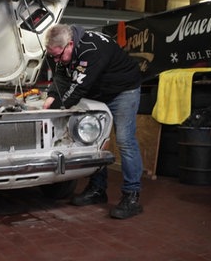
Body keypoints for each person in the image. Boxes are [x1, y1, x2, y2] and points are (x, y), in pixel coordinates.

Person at [42, 23, 143, 220]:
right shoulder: (57, 51)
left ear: (70, 44)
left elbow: (78, 88)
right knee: (94, 141)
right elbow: (61, 76)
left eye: (58, 55)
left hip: (124, 91)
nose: (55, 59)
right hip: (98, 92)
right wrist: (50, 98)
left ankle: (132, 197)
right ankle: (97, 189)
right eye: (52, 56)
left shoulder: (93, 48)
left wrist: (57, 109)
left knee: (124, 140)